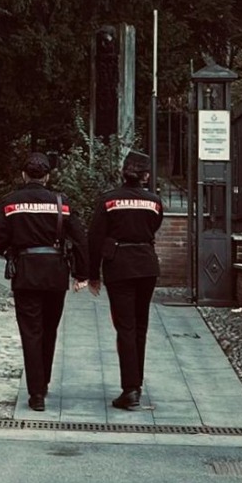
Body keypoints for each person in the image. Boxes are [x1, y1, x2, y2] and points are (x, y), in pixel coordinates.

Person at [0, 152, 89, 412]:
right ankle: (43, 382)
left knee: (31, 333)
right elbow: (79, 237)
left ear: (24, 175)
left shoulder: (10, 203)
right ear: (47, 176)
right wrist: (82, 274)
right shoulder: (61, 202)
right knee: (49, 330)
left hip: (26, 274)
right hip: (56, 274)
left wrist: (12, 252)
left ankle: (36, 394)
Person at [86, 150, 164, 410]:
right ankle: (136, 385)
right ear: (146, 175)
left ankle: (130, 388)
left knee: (125, 328)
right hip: (146, 265)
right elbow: (154, 227)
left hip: (118, 266)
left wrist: (92, 274)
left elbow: (95, 238)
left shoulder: (108, 201)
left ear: (123, 172)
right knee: (140, 326)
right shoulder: (154, 201)